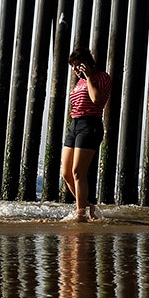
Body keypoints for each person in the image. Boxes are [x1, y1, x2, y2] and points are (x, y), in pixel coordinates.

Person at [61, 47, 111, 222]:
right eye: (73, 67)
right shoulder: (79, 82)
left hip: (90, 124)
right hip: (74, 125)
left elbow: (97, 99)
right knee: (66, 174)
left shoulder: (102, 77)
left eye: (77, 65)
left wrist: (89, 77)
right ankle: (88, 206)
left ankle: (80, 214)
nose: (75, 70)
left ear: (87, 63)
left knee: (78, 171)